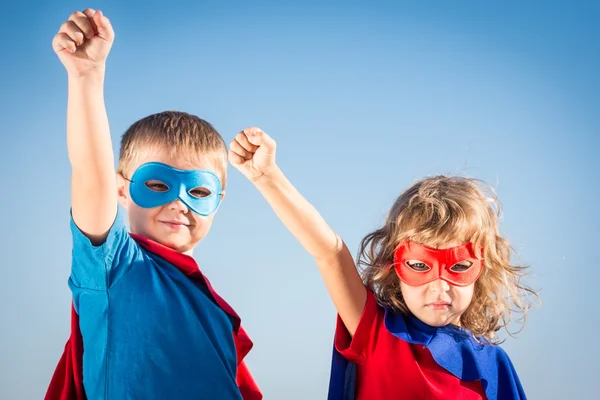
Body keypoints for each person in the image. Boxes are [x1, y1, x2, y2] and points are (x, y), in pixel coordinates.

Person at [229, 127, 537, 400]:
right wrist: (267, 177)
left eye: (458, 267)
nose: (439, 286)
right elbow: (329, 252)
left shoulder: (494, 366)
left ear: (482, 268)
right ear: (394, 265)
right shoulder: (376, 332)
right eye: (420, 265)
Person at [46, 9, 261, 400]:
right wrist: (85, 77)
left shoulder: (215, 312)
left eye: (197, 191)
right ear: (122, 189)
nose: (179, 202)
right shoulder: (115, 265)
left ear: (218, 202)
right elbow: (90, 174)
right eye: (158, 184)